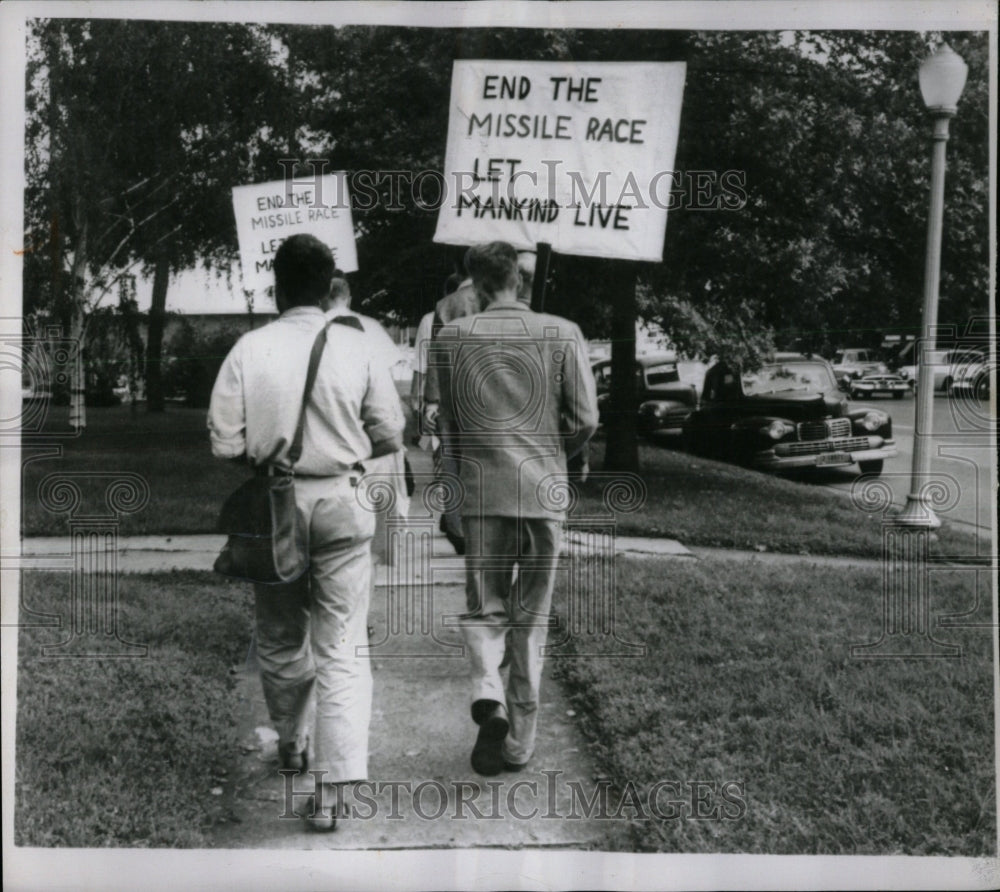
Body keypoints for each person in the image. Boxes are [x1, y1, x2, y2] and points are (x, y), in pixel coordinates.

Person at [208, 233, 405, 831]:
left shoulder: (249, 348)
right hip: (345, 499)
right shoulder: (358, 346)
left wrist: (268, 453)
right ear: (328, 288)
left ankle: (292, 741)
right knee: (342, 645)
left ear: (277, 288)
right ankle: (331, 793)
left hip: (277, 502)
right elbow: (392, 433)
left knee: (278, 633)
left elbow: (224, 441)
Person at [434, 241, 599, 776]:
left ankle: (489, 695)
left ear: (475, 285)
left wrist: (454, 489)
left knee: (487, 609)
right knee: (532, 619)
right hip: (544, 491)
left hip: (484, 494)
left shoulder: (452, 337)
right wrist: (553, 455)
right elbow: (585, 419)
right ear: (520, 281)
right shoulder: (563, 332)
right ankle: (519, 744)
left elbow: (450, 427)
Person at [321, 271, 410, 562]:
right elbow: (387, 386)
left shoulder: (313, 330)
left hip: (335, 439)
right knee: (373, 542)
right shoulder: (370, 327)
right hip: (376, 441)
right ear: (349, 297)